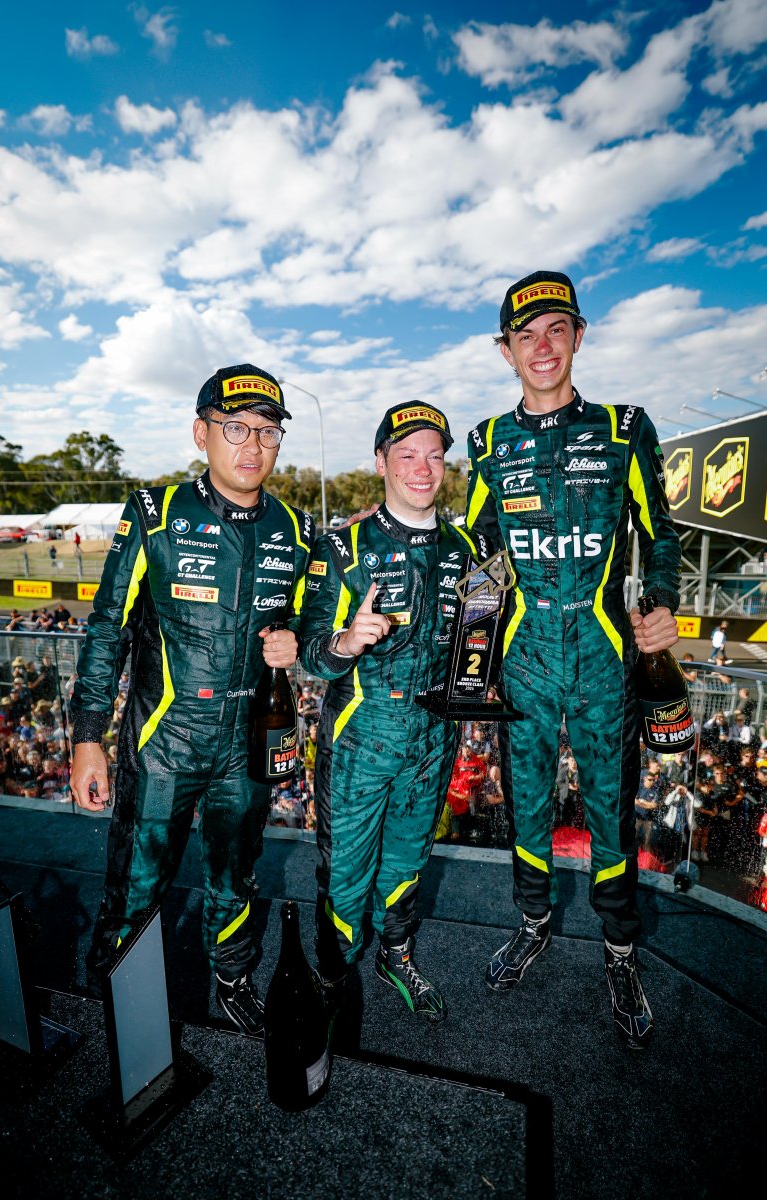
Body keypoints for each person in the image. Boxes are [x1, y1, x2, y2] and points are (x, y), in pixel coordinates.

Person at [465, 270, 682, 1051]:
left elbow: (661, 534)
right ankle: (533, 922)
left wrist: (662, 603)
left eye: (556, 329)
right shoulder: (487, 442)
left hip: (603, 657)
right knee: (525, 804)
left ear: (579, 336)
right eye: (526, 336)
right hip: (522, 661)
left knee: (610, 811)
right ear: (506, 351)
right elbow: (482, 554)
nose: (542, 346)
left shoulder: (625, 428)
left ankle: (621, 951)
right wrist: (474, 661)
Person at [69, 363, 314, 1034]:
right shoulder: (154, 514)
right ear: (201, 433)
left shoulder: (296, 530)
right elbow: (107, 628)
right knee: (137, 883)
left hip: (247, 744)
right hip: (163, 742)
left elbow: (309, 622)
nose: (252, 445)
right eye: (236, 428)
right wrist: (87, 737)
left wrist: (296, 638)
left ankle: (231, 977)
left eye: (267, 431)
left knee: (237, 877)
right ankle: (116, 997)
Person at [299, 401, 489, 1022]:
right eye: (407, 454)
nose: (422, 467)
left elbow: (483, 637)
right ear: (381, 462)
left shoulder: (469, 548)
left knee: (409, 860)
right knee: (345, 872)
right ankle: (334, 974)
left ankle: (396, 953)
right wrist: (347, 641)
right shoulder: (342, 546)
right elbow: (310, 653)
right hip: (360, 738)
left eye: (434, 455)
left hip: (435, 737)